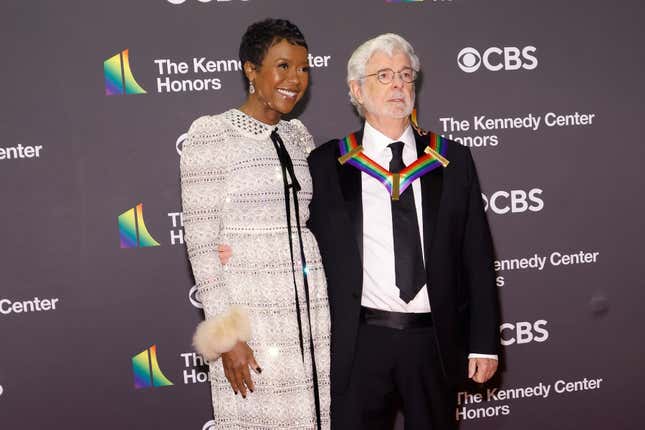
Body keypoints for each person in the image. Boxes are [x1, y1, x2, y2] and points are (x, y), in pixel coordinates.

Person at [305, 33, 501, 429]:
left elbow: (476, 256)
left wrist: (483, 342)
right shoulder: (327, 164)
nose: (398, 84)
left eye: (405, 75)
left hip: (433, 339)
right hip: (361, 341)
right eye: (384, 75)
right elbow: (293, 237)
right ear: (356, 89)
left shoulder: (451, 159)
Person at [180, 19, 330, 430]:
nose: (295, 80)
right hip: (253, 311)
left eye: (302, 68)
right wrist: (228, 337)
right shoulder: (213, 134)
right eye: (282, 66)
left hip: (311, 310)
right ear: (251, 70)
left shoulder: (299, 135)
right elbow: (201, 245)